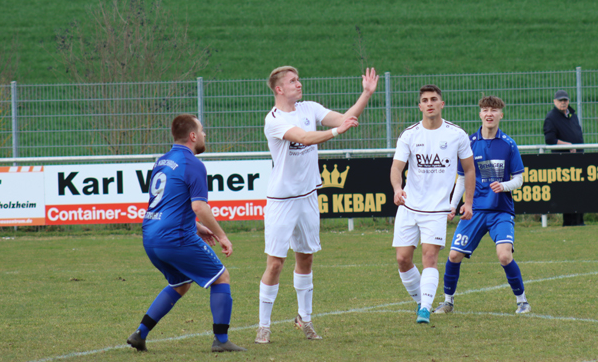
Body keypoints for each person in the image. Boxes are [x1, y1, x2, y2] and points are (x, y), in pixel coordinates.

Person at [256, 66, 378, 344]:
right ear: (279, 89)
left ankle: (305, 319)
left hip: (308, 197)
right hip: (281, 200)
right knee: (275, 263)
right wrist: (337, 131)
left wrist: (366, 94)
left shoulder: (309, 108)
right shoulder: (274, 120)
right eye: (292, 81)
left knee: (306, 258)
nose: (299, 84)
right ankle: (263, 325)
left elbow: (346, 118)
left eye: (298, 79)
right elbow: (304, 137)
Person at [126, 114, 245, 353]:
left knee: (180, 283)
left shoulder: (162, 161)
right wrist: (221, 235)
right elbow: (199, 206)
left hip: (151, 235)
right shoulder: (193, 164)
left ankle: (140, 333)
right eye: (201, 131)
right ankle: (221, 340)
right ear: (192, 136)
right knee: (221, 277)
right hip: (174, 237)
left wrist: (198, 227)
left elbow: (172, 202)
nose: (204, 135)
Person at [434, 96, 530, 315]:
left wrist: (504, 186)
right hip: (474, 210)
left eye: (494, 111)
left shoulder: (508, 144)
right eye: (485, 110)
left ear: (500, 115)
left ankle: (522, 301)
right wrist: (452, 204)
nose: (489, 114)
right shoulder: (469, 143)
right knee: (453, 255)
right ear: (480, 114)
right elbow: (461, 177)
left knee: (504, 256)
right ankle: (448, 301)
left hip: (500, 211)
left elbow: (519, 179)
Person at [390, 84, 476, 324]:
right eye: (425, 100)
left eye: (434, 99)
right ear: (420, 106)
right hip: (409, 206)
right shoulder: (409, 134)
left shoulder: (456, 134)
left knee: (429, 258)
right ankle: (421, 300)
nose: (429, 103)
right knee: (402, 259)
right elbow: (397, 168)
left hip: (437, 209)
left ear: (441, 104)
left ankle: (425, 309)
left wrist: (467, 203)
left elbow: (469, 170)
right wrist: (398, 189)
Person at [543, 89, 585, 227]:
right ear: (554, 102)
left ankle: (579, 221)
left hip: (577, 157)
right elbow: (550, 140)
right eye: (560, 100)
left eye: (565, 100)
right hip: (563, 160)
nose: (563, 102)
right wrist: (568, 145)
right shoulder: (551, 117)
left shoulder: (572, 115)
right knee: (568, 191)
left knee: (580, 189)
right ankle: (569, 222)